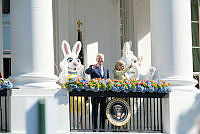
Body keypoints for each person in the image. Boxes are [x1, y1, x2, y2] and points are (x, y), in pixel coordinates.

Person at [85, 53, 109, 131]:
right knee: (95, 112)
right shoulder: (93, 67)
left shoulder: (106, 69)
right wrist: (92, 67)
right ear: (96, 59)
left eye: (101, 58)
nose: (100, 60)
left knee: (103, 112)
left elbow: (108, 80)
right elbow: (87, 72)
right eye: (98, 58)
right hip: (95, 94)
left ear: (104, 60)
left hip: (103, 94)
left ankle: (102, 129)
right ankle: (94, 129)